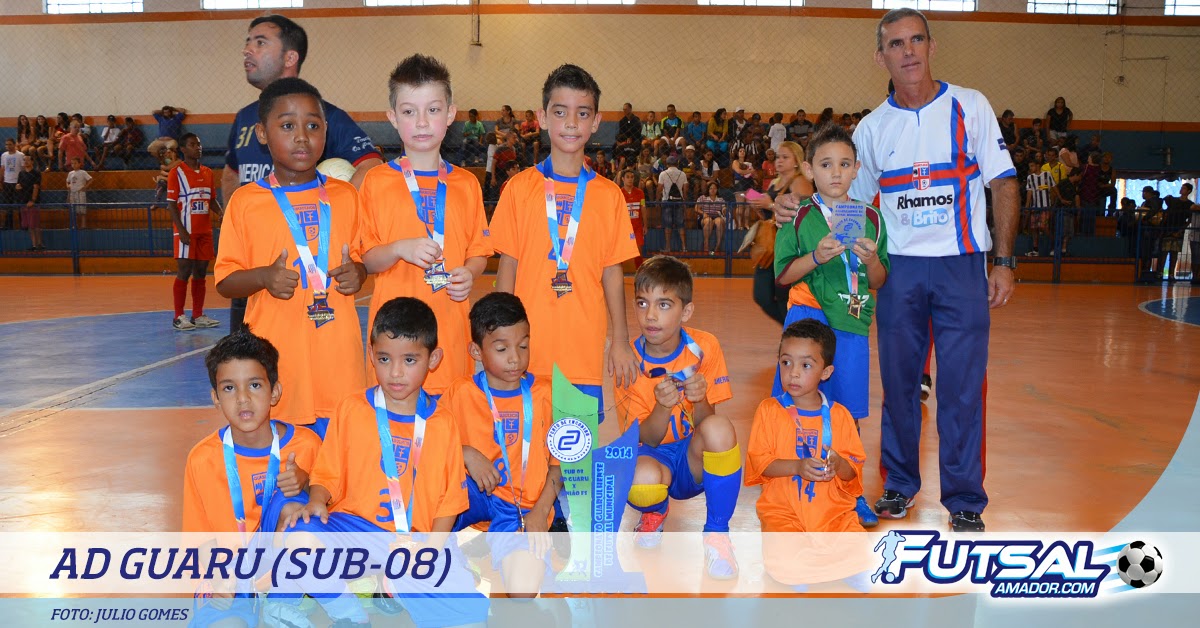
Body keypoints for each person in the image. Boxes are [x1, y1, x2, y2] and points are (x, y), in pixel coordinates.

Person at [777, 8, 1017, 533]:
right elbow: (844, 201)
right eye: (895, 44)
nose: (908, 52)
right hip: (898, 271)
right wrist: (794, 207)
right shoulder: (871, 129)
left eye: (916, 40)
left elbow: (1003, 182)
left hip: (961, 266)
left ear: (932, 46)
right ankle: (899, 485)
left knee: (962, 386)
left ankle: (965, 498)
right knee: (901, 385)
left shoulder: (970, 106)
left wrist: (1002, 260)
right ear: (880, 56)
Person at [283, 297, 488, 627]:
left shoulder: (442, 422)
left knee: (471, 616)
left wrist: (431, 552)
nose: (395, 372)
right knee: (299, 534)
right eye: (384, 359)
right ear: (371, 355)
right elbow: (327, 473)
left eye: (409, 360)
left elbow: (449, 502)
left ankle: (398, 582)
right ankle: (349, 613)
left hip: (416, 541)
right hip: (357, 531)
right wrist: (318, 500)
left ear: (433, 359)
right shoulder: (352, 409)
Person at [214, 78, 368, 439]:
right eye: (287, 126)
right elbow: (225, 280)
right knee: (286, 463)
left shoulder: (347, 197)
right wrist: (263, 277)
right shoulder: (245, 202)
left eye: (313, 126)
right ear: (262, 133)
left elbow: (362, 259)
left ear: (326, 131)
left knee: (338, 458)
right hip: (278, 365)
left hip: (339, 363)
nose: (302, 137)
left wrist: (359, 272)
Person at [490, 64, 641, 424]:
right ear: (542, 117)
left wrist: (621, 340)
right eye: (560, 112)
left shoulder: (609, 196)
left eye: (582, 113)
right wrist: (498, 334)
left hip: (582, 354)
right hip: (523, 353)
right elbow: (508, 265)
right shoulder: (518, 189)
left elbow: (612, 272)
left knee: (575, 452)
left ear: (596, 122)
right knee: (524, 449)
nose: (571, 123)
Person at [223, 14, 383, 334]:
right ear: (263, 131)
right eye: (248, 42)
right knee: (248, 352)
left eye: (260, 42)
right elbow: (230, 174)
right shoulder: (244, 118)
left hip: (312, 266)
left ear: (290, 57)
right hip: (256, 270)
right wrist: (237, 224)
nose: (248, 49)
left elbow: (372, 164)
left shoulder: (327, 114)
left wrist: (334, 209)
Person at [770, 125, 888, 529]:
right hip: (808, 318)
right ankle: (791, 490)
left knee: (847, 416)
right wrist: (817, 257)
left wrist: (871, 260)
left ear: (857, 169)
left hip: (852, 322)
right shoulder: (798, 216)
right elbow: (783, 275)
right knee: (796, 405)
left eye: (844, 164)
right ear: (809, 169)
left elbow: (879, 280)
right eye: (825, 164)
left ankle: (851, 493)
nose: (835, 173)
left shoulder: (872, 218)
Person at [360, 54, 492, 397]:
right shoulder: (376, 182)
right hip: (394, 345)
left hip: (451, 336)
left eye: (432, 110)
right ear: (392, 117)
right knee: (395, 427)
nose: (421, 122)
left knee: (450, 422)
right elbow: (367, 259)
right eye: (409, 111)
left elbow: (479, 251)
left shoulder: (467, 184)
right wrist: (399, 249)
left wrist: (470, 273)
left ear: (450, 114)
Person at [183, 329, 320, 628]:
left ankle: (285, 599)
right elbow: (199, 535)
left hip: (287, 573)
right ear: (216, 398)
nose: (243, 399)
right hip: (230, 575)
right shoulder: (202, 458)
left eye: (255, 385)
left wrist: (308, 483)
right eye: (229, 388)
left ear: (275, 392)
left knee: (293, 505)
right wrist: (218, 578)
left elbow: (332, 514)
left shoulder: (307, 445)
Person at [617, 255, 741, 580]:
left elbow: (707, 423)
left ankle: (717, 535)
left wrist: (700, 399)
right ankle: (654, 513)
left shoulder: (705, 347)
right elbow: (645, 438)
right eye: (642, 303)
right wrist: (661, 407)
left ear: (686, 311)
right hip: (652, 455)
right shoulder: (627, 360)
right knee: (641, 481)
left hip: (690, 460)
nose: (650, 315)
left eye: (664, 305)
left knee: (720, 429)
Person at [446, 292, 561, 598]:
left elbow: (561, 463)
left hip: (522, 507)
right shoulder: (460, 392)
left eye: (523, 346)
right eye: (501, 348)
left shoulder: (546, 394)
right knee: (427, 494)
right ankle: (445, 555)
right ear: (476, 351)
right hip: (472, 494)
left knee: (523, 591)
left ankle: (504, 541)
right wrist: (465, 452)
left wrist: (541, 510)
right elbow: (430, 446)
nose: (515, 358)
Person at [746, 319, 868, 587]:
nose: (793, 373)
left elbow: (853, 474)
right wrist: (796, 467)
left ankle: (840, 565)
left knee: (858, 547)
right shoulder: (768, 410)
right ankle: (804, 569)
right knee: (787, 555)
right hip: (784, 514)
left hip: (832, 515)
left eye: (806, 365)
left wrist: (839, 464)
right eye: (786, 362)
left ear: (826, 372)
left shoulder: (841, 416)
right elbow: (761, 464)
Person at [168, 133, 222, 331]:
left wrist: (221, 213)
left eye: (199, 144)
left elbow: (211, 199)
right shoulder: (177, 173)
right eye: (192, 144)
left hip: (204, 231)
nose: (198, 147)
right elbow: (171, 205)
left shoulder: (208, 172)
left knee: (201, 271)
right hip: (186, 231)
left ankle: (198, 315)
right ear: (183, 149)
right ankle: (178, 316)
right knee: (184, 270)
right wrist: (181, 230)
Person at [658, 154, 689, 253]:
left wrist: (657, 199)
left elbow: (660, 188)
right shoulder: (682, 174)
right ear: (677, 164)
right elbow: (685, 188)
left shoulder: (663, 174)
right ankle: (684, 247)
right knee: (680, 224)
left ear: (667, 164)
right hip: (679, 200)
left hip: (667, 200)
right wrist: (684, 199)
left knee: (667, 225)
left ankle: (668, 247)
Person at [620, 169, 647, 268]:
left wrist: (645, 225)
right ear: (623, 179)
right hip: (624, 227)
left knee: (639, 250)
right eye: (627, 177)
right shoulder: (619, 193)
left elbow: (643, 208)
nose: (630, 179)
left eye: (632, 177)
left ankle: (640, 271)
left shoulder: (640, 193)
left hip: (637, 227)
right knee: (621, 251)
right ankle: (618, 273)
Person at [16, 157, 43, 250]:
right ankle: (34, 245)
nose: (25, 162)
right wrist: (17, 187)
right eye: (24, 160)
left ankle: (39, 244)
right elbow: (18, 185)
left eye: (27, 160)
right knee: (29, 225)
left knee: (35, 224)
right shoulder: (21, 173)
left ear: (32, 161)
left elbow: (36, 187)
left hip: (33, 202)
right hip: (23, 201)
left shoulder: (36, 173)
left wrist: (33, 200)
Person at [696, 182, 726, 255]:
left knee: (720, 221)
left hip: (716, 216)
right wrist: (703, 213)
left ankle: (718, 246)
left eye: (715, 188)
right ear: (708, 189)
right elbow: (696, 208)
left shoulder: (721, 199)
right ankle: (706, 244)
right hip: (705, 217)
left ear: (717, 190)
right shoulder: (702, 197)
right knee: (709, 220)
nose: (713, 190)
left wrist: (725, 210)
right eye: (711, 188)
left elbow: (723, 208)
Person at [1, 138, 25, 230]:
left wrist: (21, 182)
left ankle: (23, 225)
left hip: (17, 183)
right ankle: (8, 225)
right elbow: (2, 169)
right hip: (7, 183)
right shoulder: (4, 155)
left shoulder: (20, 155)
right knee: (8, 204)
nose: (8, 146)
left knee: (20, 204)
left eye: (10, 144)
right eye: (6, 144)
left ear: (14, 144)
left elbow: (23, 170)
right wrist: (1, 181)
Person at [65, 156, 92, 229]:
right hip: (72, 193)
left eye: (75, 163)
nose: (73, 165)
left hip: (80, 192)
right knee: (73, 210)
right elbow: (67, 181)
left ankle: (83, 225)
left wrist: (85, 187)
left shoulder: (83, 172)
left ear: (80, 164)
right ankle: (74, 225)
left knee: (82, 210)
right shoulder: (70, 173)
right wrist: (67, 185)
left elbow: (90, 179)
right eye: (72, 163)